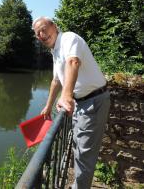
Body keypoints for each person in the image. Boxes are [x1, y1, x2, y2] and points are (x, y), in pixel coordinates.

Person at [32, 16, 110, 189]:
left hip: (93, 101)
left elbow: (73, 61)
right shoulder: (55, 50)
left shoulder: (68, 38)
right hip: (82, 102)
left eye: (44, 29)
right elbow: (55, 81)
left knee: (84, 157)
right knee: (79, 149)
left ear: (55, 26)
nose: (42, 34)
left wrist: (66, 96)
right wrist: (48, 105)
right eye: (38, 33)